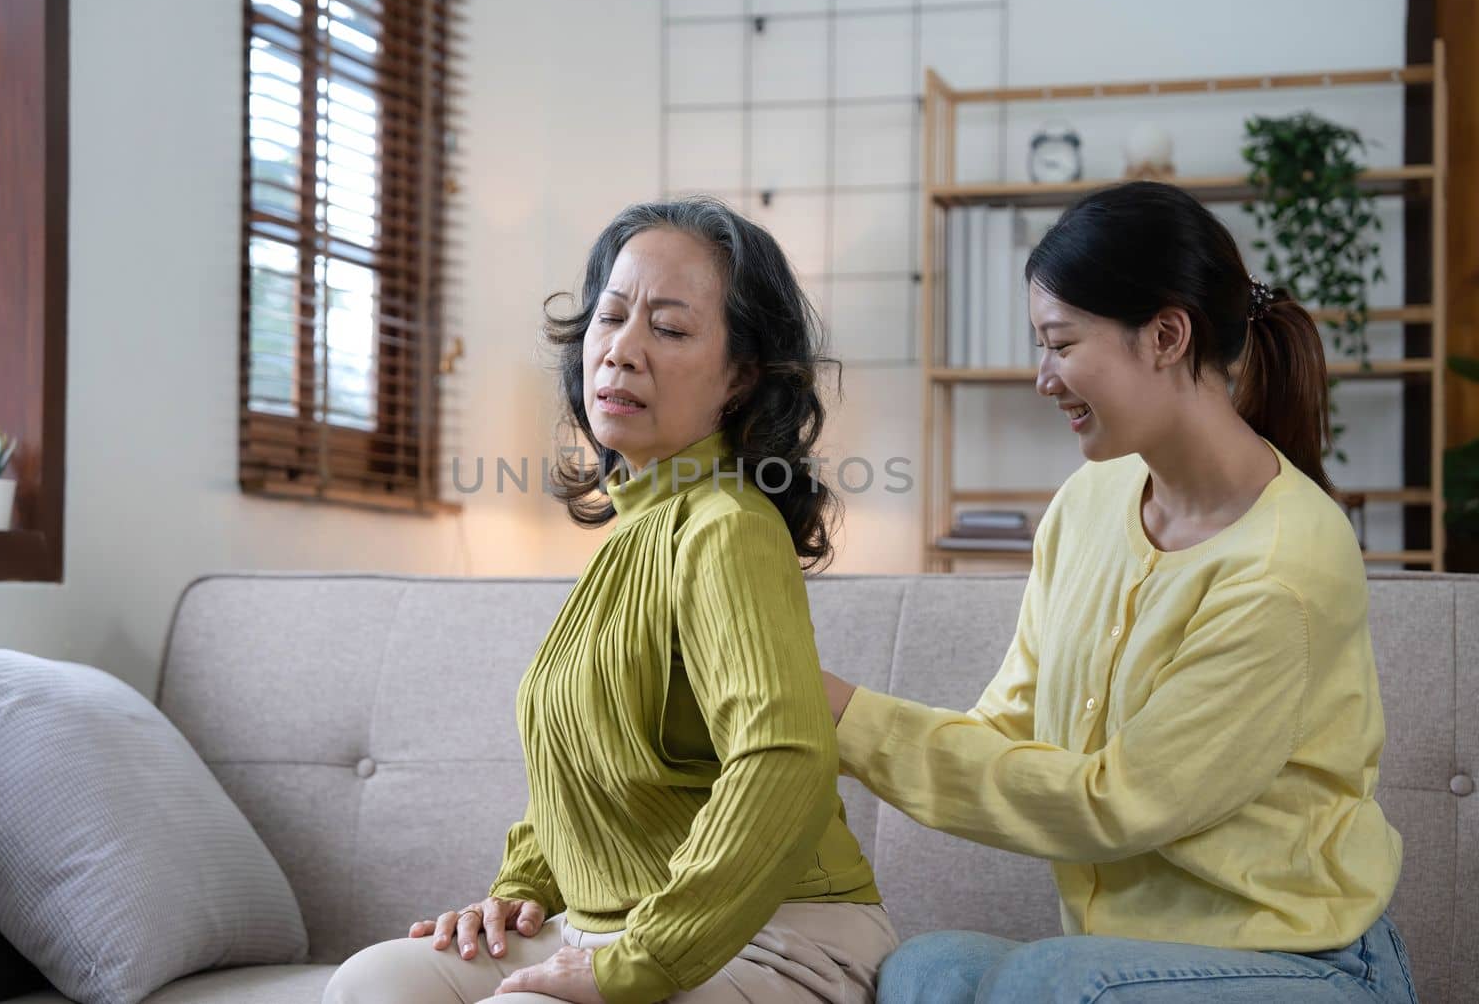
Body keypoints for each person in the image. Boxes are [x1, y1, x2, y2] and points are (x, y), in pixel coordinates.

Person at [823, 181, 1417, 1003]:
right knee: (925, 970)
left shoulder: (1286, 565)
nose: (1043, 378)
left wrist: (848, 718)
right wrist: (821, 725)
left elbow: (1117, 803)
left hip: (1308, 966)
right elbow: (1007, 728)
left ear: (1167, 335)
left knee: (1048, 981)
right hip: (1122, 964)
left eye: (1060, 343)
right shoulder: (1088, 503)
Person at [324, 197, 895, 1004]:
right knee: (371, 981)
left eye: (668, 327)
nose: (621, 351)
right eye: (611, 317)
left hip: (774, 934)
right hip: (609, 926)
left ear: (740, 376)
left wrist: (639, 962)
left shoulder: (729, 525)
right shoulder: (633, 534)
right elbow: (586, 765)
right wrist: (522, 889)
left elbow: (786, 760)